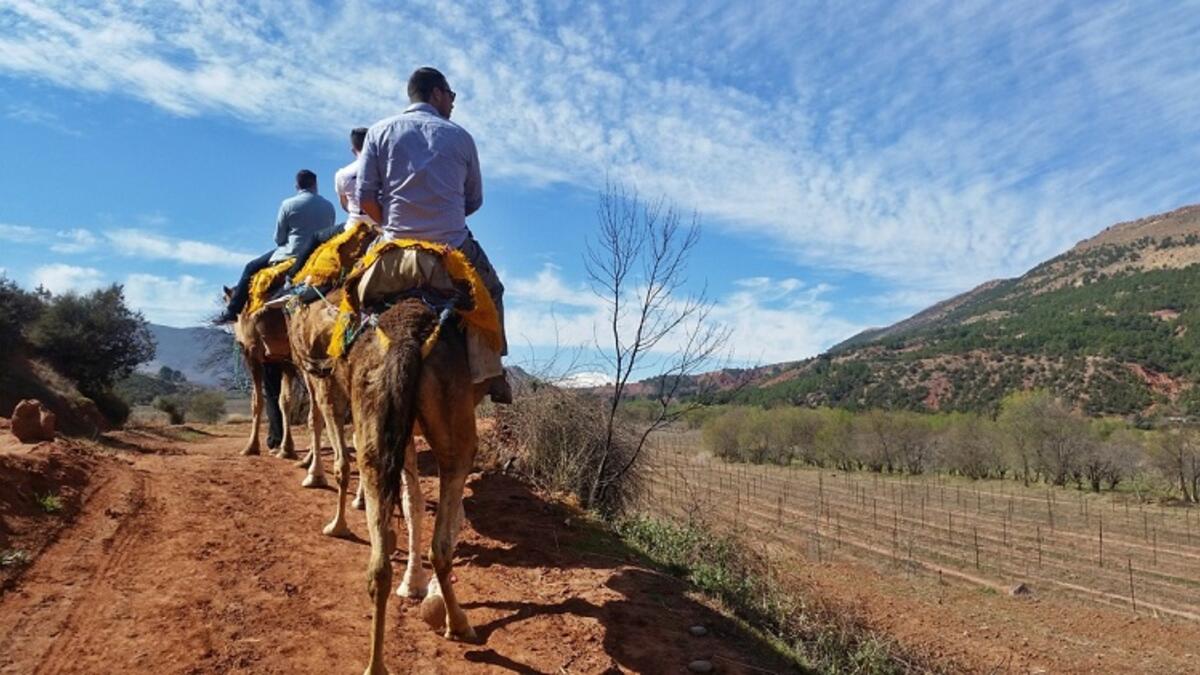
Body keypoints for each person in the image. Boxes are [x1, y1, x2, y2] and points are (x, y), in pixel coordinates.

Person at [356, 66, 510, 404]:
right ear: (437, 93)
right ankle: (495, 374)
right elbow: (474, 200)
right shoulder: (460, 136)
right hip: (451, 250)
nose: (453, 104)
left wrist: (395, 226)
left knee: (349, 296)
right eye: (451, 96)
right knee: (494, 290)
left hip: (393, 250)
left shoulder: (379, 131)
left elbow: (365, 198)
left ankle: (343, 373)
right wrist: (442, 215)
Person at [217, 170, 336, 322]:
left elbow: (279, 238)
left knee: (250, 267)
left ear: (296, 186)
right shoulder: (329, 206)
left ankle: (232, 311)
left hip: (291, 253)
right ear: (315, 184)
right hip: (319, 254)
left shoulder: (288, 204)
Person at [287, 128, 374, 281]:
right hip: (384, 225)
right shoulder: (387, 169)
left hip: (354, 227)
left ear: (353, 149)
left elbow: (344, 204)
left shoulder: (342, 174)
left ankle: (291, 278)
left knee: (315, 237)